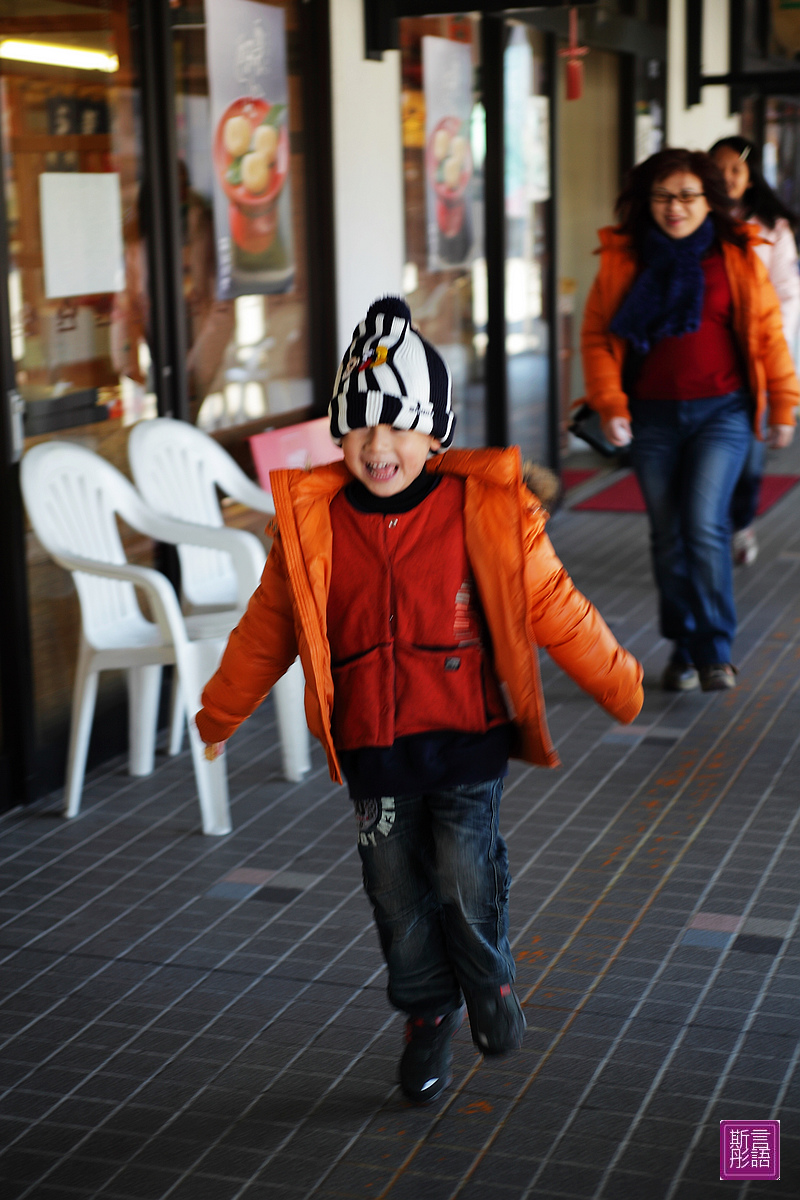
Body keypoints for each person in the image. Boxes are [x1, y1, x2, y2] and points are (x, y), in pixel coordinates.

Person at [195, 296, 644, 1104]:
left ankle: (490, 981)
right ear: (339, 433)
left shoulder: (487, 512)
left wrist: (618, 682)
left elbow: (556, 605)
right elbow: (268, 631)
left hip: (465, 737)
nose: (378, 445)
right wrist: (220, 711)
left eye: (398, 425)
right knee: (397, 893)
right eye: (360, 425)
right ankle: (425, 1012)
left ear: (434, 433)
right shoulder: (317, 525)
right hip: (374, 750)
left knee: (465, 873)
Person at [582, 148, 798, 694]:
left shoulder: (738, 254)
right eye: (662, 196)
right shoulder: (624, 258)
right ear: (645, 200)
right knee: (666, 536)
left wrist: (784, 405)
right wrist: (611, 405)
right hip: (651, 417)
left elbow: (769, 332)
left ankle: (715, 650)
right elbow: (597, 338)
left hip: (721, 413)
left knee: (703, 524)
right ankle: (682, 643)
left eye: (686, 196)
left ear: (710, 200)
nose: (674, 208)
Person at [709, 135, 800, 566]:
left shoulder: (772, 228)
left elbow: (787, 295)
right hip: (705, 365)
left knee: (749, 462)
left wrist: (759, 337)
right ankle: (707, 534)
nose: (726, 179)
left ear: (750, 177)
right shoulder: (694, 218)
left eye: (736, 171)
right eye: (719, 169)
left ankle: (740, 523)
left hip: (755, 364)